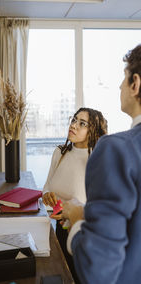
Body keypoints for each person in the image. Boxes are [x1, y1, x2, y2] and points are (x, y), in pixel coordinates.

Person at [62, 44, 141, 284]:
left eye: (123, 78)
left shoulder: (115, 150)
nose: (119, 86)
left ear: (135, 83)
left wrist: (77, 220)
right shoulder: (61, 153)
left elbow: (99, 272)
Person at [42, 107, 107, 281]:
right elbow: (47, 186)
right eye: (74, 120)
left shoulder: (96, 160)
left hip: (83, 233)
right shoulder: (60, 153)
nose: (74, 125)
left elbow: (101, 204)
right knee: (61, 275)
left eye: (82, 123)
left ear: (92, 130)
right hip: (60, 231)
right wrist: (47, 194)